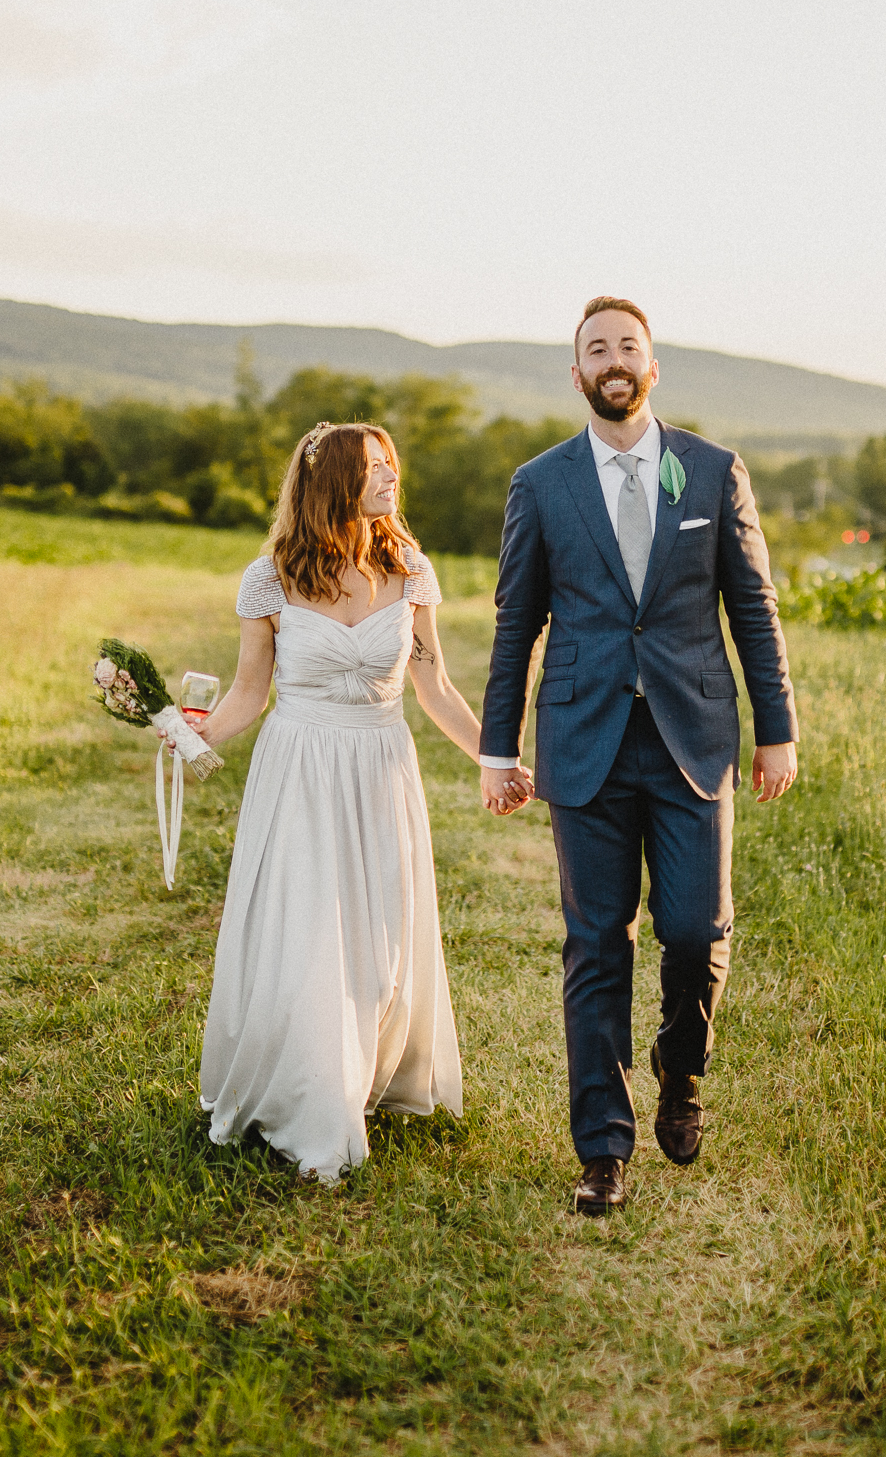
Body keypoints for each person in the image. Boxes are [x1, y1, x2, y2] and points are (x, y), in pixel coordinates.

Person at [479, 296, 798, 1217]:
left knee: (697, 932)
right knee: (595, 944)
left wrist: (775, 727)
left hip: (693, 740)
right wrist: (500, 747)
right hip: (583, 745)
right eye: (596, 349)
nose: (614, 360)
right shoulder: (540, 484)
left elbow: (754, 608)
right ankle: (603, 1151)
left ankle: (681, 1066)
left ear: (652, 367)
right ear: (575, 374)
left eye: (629, 347)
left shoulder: (710, 471)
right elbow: (516, 625)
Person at [193, 421, 531, 1181]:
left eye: (391, 466)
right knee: (308, 932)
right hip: (300, 769)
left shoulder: (411, 572)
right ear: (332, 480)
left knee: (379, 941)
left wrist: (496, 758)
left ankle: (371, 1070)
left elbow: (434, 686)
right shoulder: (270, 577)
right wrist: (192, 739)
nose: (390, 479)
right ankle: (314, 1103)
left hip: (381, 767)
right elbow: (249, 691)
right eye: (374, 468)